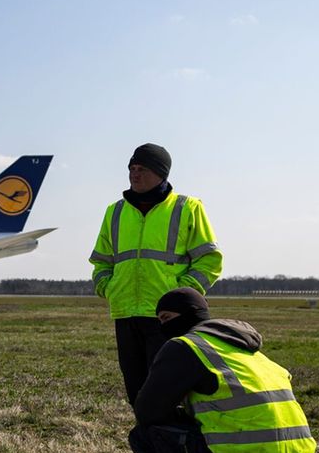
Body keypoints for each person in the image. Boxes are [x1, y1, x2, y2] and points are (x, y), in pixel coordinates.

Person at [129, 288, 315, 453]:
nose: (162, 326)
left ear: (189, 315)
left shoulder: (186, 347)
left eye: (166, 318)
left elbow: (148, 411)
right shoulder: (247, 350)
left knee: (146, 435)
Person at [90, 144, 223, 406]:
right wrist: (108, 287)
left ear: (161, 173)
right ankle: (149, 442)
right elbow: (101, 261)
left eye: (142, 169)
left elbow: (209, 259)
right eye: (132, 169)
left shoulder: (188, 208)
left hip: (169, 318)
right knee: (137, 394)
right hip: (126, 313)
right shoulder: (114, 211)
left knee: (171, 393)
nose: (134, 174)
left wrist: (181, 295)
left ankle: (177, 444)